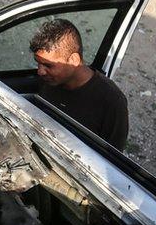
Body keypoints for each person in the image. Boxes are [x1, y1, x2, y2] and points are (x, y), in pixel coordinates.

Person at [30, 19, 129, 150]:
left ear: (74, 60)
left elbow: (113, 159)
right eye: (38, 63)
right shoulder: (49, 80)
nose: (40, 71)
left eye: (48, 65)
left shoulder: (111, 101)